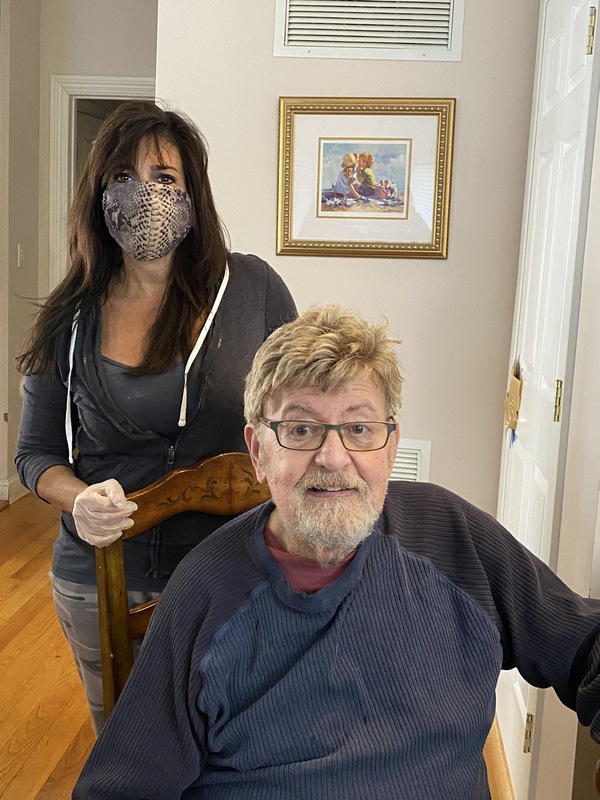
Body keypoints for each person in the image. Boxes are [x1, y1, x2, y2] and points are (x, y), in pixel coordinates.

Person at [73, 305, 600, 799]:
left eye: (358, 428)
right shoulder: (206, 591)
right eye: (300, 429)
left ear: (390, 447)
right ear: (258, 451)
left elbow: (584, 643)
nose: (332, 457)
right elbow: (121, 787)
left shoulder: (453, 538)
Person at [15, 100, 296, 735]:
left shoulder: (251, 290)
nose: (146, 194)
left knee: (235, 748)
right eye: (124, 177)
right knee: (131, 750)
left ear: (194, 193)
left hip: (237, 578)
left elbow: (301, 411)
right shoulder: (72, 315)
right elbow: (34, 455)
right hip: (102, 581)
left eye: (165, 178)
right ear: (99, 197)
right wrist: (79, 500)